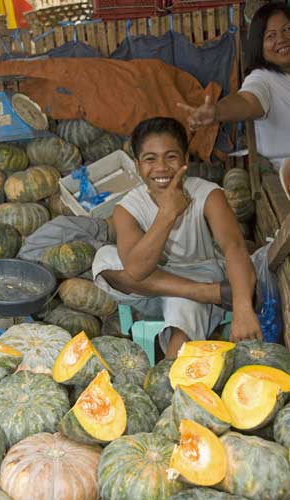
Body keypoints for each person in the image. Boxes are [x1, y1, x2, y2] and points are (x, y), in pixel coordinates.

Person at [92, 117, 262, 359]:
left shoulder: (208, 194)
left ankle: (173, 381)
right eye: (150, 159)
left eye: (171, 157)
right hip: (151, 287)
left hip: (201, 272)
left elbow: (234, 248)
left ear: (185, 160)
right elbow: (136, 271)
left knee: (184, 308)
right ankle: (204, 294)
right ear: (137, 164)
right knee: (104, 259)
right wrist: (167, 215)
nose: (161, 167)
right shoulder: (126, 208)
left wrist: (243, 307)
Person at [179, 2, 290, 172]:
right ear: (259, 46)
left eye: (287, 29)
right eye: (270, 36)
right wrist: (216, 112)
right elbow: (246, 101)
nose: (282, 39)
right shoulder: (262, 79)